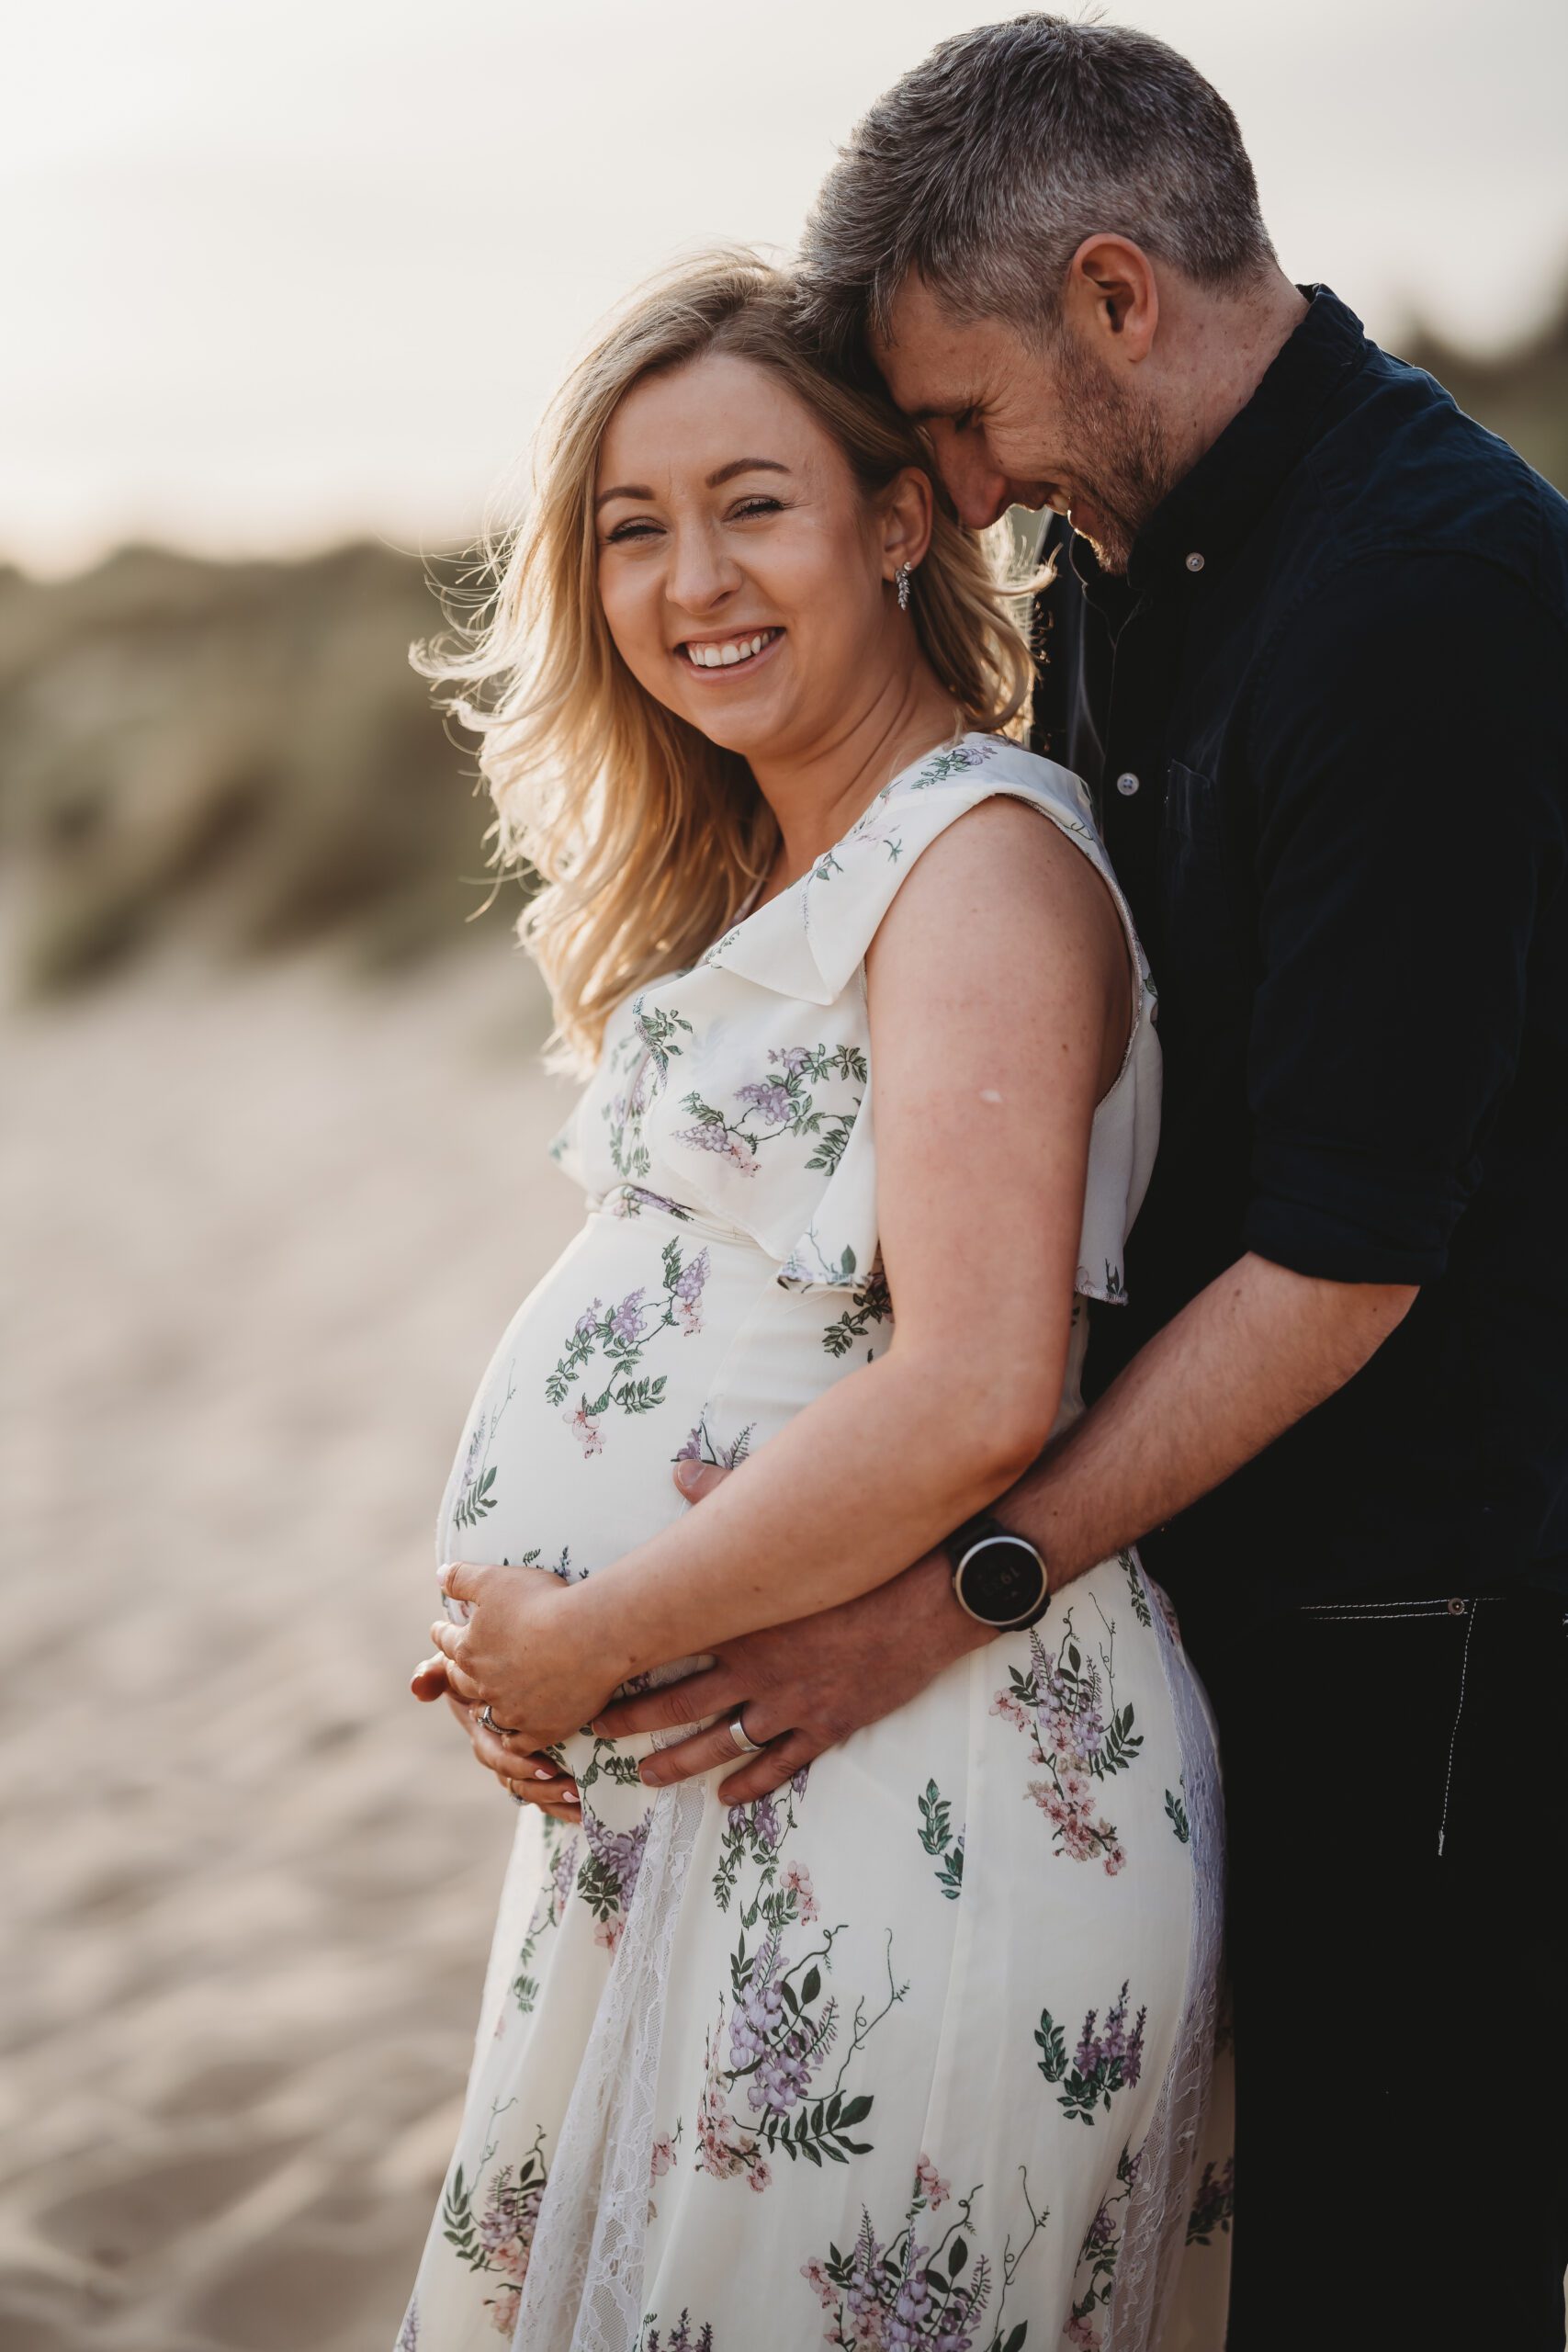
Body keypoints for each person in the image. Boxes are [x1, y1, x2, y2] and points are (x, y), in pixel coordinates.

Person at [518, 19, 1567, 2351]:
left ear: (1115, 293)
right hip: (1209, 1588)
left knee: (1403, 2277)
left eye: (962, 421)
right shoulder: (1140, 550)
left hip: (1428, 1631)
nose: (961, 495)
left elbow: (1339, 1258)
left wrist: (940, 1598)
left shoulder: (1424, 589)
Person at [397, 254, 1228, 2350]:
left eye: (750, 501)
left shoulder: (976, 866)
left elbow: (972, 1387)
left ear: (891, 519)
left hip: (915, 1786)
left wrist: (591, 1629)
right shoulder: (786, 869)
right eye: (629, 525)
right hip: (748, 1788)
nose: (691, 577)